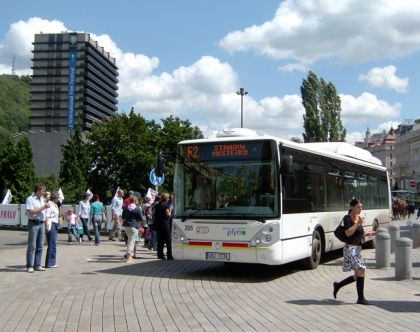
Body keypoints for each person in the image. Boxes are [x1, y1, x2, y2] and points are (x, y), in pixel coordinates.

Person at [333, 198, 371, 305]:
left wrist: (365, 234)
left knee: (356, 276)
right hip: (350, 249)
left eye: (361, 207)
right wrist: (357, 224)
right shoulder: (347, 218)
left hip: (357, 249)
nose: (360, 209)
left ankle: (338, 285)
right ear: (352, 207)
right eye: (358, 207)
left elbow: (358, 233)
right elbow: (348, 233)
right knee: (361, 270)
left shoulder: (358, 218)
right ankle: (361, 298)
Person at [26, 183, 50, 273]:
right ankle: (29, 266)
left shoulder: (42, 199)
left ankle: (37, 265)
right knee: (32, 245)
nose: (44, 193)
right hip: (33, 223)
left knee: (40, 245)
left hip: (41, 223)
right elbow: (32, 212)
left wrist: (46, 223)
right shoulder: (30, 199)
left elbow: (43, 212)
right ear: (38, 190)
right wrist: (43, 207)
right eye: (43, 191)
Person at [122, 195, 143, 263]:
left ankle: (130, 257)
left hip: (126, 226)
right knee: (131, 242)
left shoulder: (126, 207)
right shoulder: (137, 208)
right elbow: (140, 218)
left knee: (130, 241)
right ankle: (128, 258)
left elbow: (123, 216)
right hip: (134, 226)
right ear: (135, 201)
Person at [154, 193, 174, 260]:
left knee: (160, 241)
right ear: (166, 198)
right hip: (165, 224)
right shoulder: (166, 205)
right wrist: (170, 210)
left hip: (158, 224)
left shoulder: (157, 205)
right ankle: (169, 255)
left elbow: (154, 214)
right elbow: (168, 215)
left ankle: (160, 255)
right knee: (168, 240)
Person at [45, 192, 60, 268]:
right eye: (58, 197)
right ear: (55, 198)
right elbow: (47, 216)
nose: (59, 199)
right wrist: (47, 226)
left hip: (55, 224)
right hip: (51, 224)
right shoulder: (50, 204)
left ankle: (52, 262)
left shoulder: (54, 204)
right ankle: (49, 263)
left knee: (53, 243)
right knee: (51, 243)